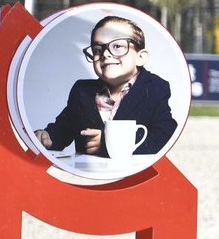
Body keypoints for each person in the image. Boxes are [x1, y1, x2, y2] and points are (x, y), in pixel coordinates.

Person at [34, 15, 178, 158]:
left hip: (133, 174)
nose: (105, 54)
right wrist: (47, 136)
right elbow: (63, 128)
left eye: (117, 46)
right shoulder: (82, 91)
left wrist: (107, 143)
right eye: (97, 49)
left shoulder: (154, 88)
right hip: (91, 177)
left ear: (140, 57)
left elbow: (164, 133)